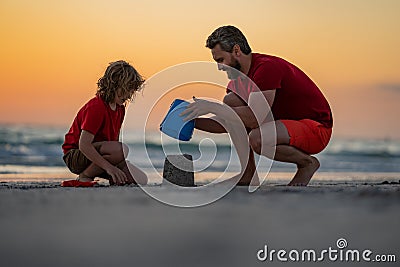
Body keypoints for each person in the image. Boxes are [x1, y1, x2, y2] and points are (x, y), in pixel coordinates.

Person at [182, 25, 333, 186]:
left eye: (221, 60)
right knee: (230, 102)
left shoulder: (266, 68)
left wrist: (211, 106)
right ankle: (248, 173)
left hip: (316, 129)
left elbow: (254, 119)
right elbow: (227, 121)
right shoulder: (237, 82)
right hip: (283, 127)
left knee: (257, 138)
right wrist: (191, 120)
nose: (219, 67)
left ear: (236, 51)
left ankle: (307, 164)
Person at [62, 60, 148, 186]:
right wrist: (110, 168)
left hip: (101, 156)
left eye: (132, 90)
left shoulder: (120, 109)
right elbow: (84, 145)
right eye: (127, 89)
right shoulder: (96, 107)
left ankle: (104, 173)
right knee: (121, 149)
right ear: (114, 84)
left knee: (141, 179)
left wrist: (118, 165)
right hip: (76, 155)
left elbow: (113, 142)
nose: (129, 95)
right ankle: (85, 176)